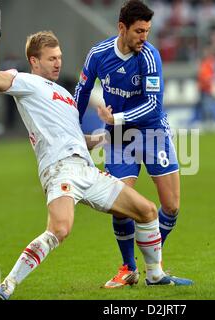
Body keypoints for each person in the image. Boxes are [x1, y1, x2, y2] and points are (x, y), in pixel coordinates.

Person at [0, 2, 192, 300]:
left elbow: (75, 136)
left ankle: (155, 275)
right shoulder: (26, 83)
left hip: (89, 167)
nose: (58, 63)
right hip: (61, 169)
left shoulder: (65, 97)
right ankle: (6, 287)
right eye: (52, 58)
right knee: (60, 230)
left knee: (146, 210)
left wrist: (101, 139)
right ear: (34, 61)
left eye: (60, 58)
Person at [73, 0, 192, 288]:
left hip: (153, 132)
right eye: (139, 31)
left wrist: (116, 119)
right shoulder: (99, 54)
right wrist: (72, 131)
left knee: (172, 206)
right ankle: (130, 268)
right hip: (119, 139)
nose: (144, 37)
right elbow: (82, 91)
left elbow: (153, 105)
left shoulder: (150, 56)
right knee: (121, 203)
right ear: (122, 28)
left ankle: (151, 263)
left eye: (148, 31)